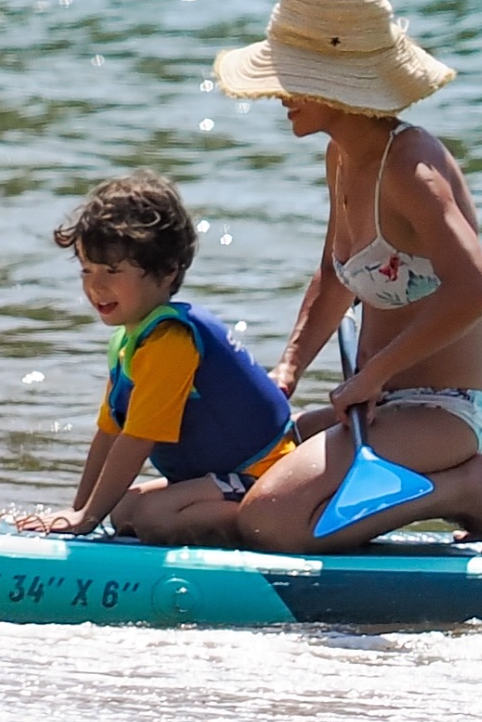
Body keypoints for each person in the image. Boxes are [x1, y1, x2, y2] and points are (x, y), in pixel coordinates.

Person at [212, 0, 482, 554]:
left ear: (335, 86)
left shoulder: (412, 168)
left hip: (443, 413)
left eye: (291, 79)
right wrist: (287, 371)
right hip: (373, 405)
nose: (280, 94)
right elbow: (335, 276)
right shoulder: (341, 155)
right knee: (231, 471)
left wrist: (376, 373)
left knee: (271, 522)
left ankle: (465, 487)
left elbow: (475, 290)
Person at [18, 169, 298, 545]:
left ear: (167, 272)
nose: (95, 286)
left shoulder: (171, 341)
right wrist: (79, 509)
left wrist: (85, 519)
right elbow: (109, 433)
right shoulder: (130, 339)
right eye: (87, 269)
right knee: (123, 511)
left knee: (155, 518)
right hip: (220, 477)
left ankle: (276, 522)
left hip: (265, 474)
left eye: (112, 271)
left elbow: (136, 440)